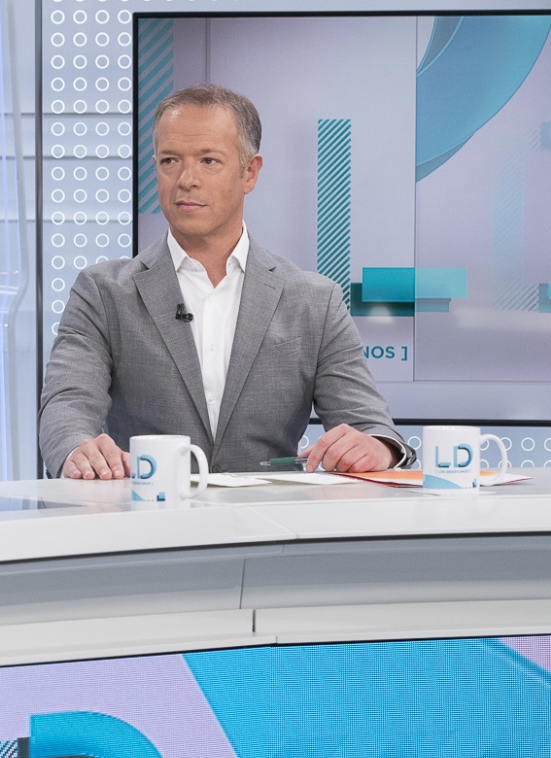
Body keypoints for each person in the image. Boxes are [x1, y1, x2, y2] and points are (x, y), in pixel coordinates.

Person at [38, 84, 413, 480]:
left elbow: (371, 426)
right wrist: (77, 449)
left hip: (270, 517)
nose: (186, 179)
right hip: (146, 512)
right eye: (170, 161)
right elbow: (67, 405)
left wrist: (378, 448)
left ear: (249, 172)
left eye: (209, 161)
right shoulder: (103, 292)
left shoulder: (315, 302)